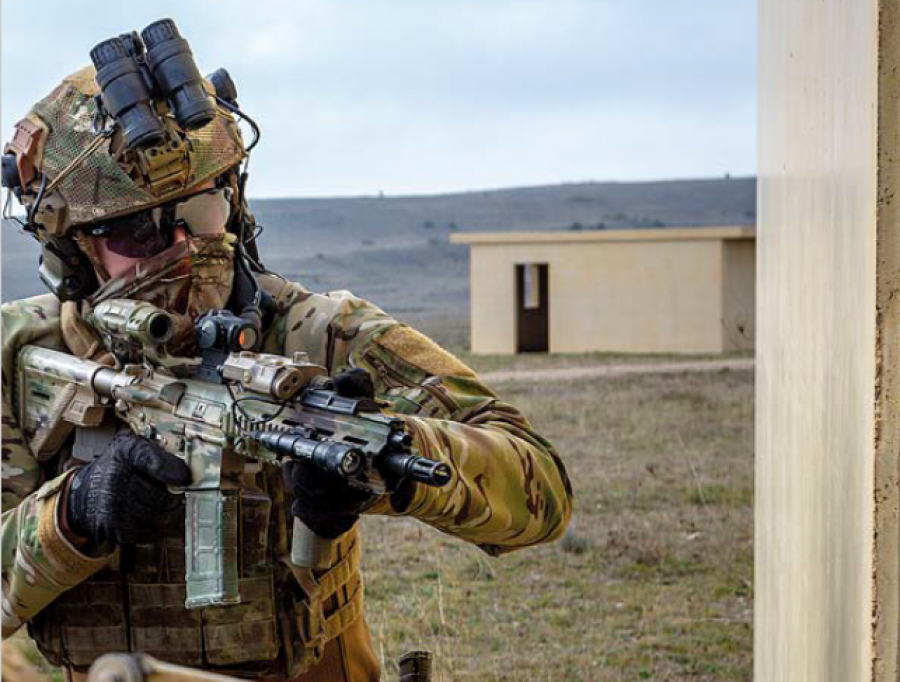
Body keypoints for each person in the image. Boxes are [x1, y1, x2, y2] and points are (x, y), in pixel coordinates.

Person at [0, 22, 573, 682]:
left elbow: (543, 492)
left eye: (202, 206)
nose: (184, 247)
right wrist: (71, 516)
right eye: (137, 230)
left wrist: (399, 464)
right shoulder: (25, 359)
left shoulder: (321, 334)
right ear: (74, 248)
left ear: (235, 202)